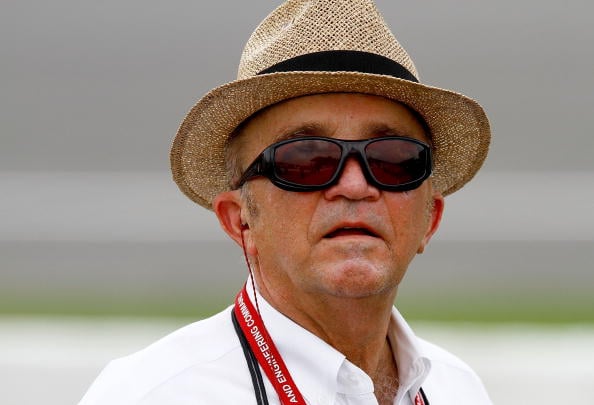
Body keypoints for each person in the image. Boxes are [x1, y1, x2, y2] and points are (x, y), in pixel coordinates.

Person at [80, 1, 492, 404]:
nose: (355, 186)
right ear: (240, 221)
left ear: (430, 218)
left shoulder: (459, 389)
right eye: (306, 160)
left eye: (393, 160)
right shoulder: (153, 394)